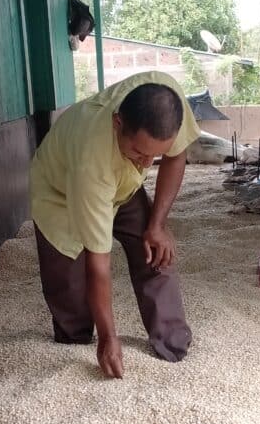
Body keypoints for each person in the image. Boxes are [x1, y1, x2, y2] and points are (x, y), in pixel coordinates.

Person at [30, 70, 200, 379]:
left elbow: (176, 156)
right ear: (117, 123)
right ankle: (75, 343)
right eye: (139, 151)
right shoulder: (91, 163)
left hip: (123, 185)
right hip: (61, 194)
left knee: (155, 249)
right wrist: (109, 337)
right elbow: (99, 264)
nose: (146, 164)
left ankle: (173, 344)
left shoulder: (167, 100)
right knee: (69, 285)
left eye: (155, 156)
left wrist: (157, 224)